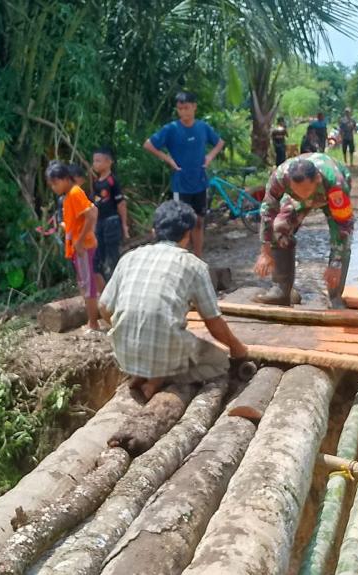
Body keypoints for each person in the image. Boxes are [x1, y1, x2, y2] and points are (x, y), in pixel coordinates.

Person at [100, 200, 248, 401]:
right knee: (220, 362)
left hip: (124, 354)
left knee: (160, 342)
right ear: (187, 235)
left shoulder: (130, 257)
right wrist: (237, 349)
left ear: (154, 231)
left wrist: (128, 326)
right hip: (166, 354)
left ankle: (142, 373)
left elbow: (104, 307)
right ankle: (161, 378)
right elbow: (213, 322)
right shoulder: (194, 265)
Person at [253, 153, 354, 308]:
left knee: (340, 241)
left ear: (317, 179)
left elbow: (343, 227)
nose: (302, 194)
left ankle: (335, 297)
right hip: (297, 199)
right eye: (297, 190)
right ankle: (281, 290)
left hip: (329, 195)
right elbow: (268, 212)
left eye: (306, 189)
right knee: (280, 227)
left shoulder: (335, 184)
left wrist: (336, 264)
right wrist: (265, 251)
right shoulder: (280, 177)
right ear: (289, 183)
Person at [144, 91, 225, 257]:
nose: (184, 112)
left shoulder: (202, 127)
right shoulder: (171, 129)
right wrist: (169, 160)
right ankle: (182, 256)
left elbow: (219, 142)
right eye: (180, 109)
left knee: (199, 221)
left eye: (187, 108)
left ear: (194, 107)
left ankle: (198, 256)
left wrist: (209, 156)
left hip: (200, 181)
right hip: (181, 184)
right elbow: (149, 144)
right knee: (182, 222)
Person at [49, 161, 104, 333]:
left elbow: (90, 214)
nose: (53, 188)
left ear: (65, 179)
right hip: (79, 246)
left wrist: (80, 241)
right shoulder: (70, 195)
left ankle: (93, 324)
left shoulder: (74, 193)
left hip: (83, 247)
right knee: (89, 282)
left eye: (55, 183)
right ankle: (98, 317)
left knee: (88, 286)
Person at [90, 147, 129, 282]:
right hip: (99, 223)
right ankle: (107, 285)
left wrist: (124, 225)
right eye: (94, 161)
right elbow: (95, 205)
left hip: (111, 221)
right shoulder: (96, 183)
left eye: (98, 161)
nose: (95, 164)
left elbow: (121, 203)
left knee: (113, 254)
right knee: (99, 255)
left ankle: (119, 282)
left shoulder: (113, 181)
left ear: (108, 162)